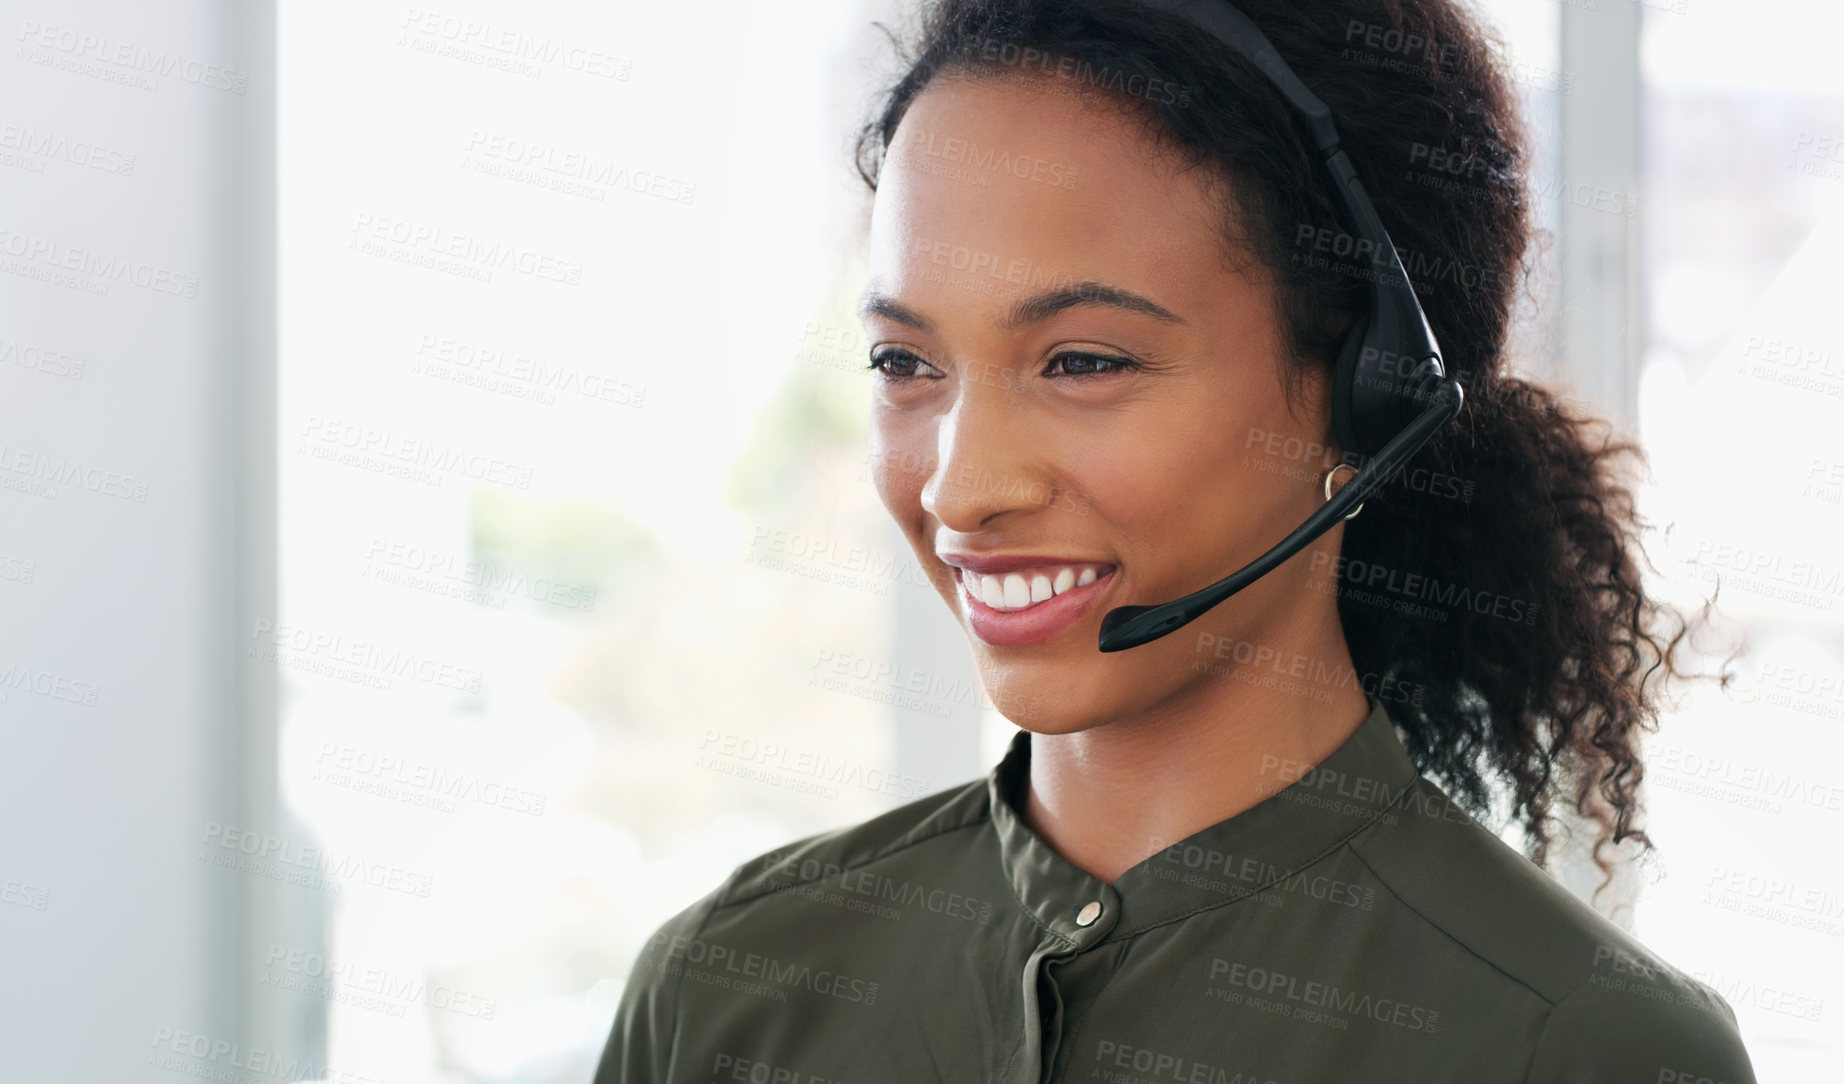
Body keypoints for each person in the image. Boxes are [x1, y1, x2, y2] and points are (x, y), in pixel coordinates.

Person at [594, 0, 1756, 1080]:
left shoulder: (1578, 1046)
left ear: (1367, 397)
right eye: (906, 363)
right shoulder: (724, 989)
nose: (961, 487)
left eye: (1083, 362)